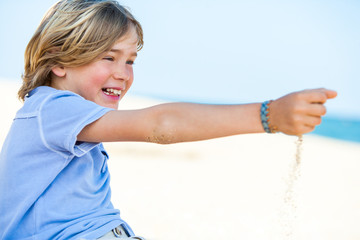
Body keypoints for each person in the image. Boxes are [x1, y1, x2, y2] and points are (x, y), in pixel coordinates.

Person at [0, 0, 337, 239]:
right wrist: (268, 115)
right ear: (59, 62)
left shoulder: (62, 116)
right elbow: (159, 125)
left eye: (131, 60)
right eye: (108, 57)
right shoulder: (52, 108)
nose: (122, 73)